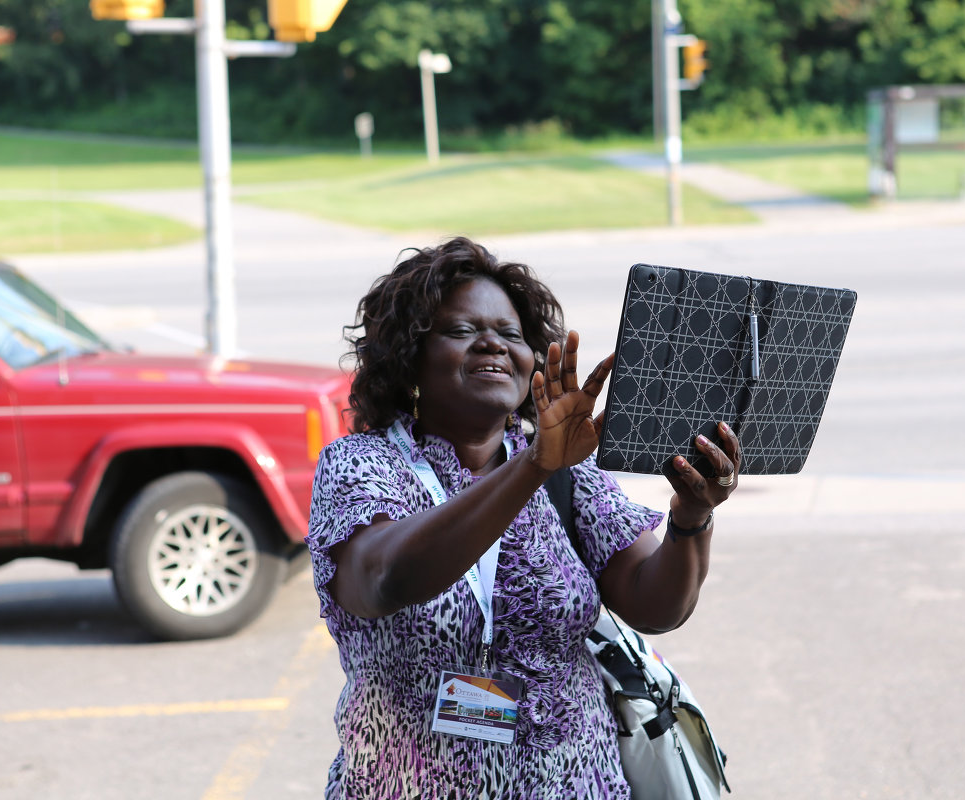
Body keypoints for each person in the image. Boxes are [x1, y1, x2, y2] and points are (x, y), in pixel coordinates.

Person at [306, 236, 741, 799]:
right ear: (410, 355)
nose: (492, 343)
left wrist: (692, 514)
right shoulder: (361, 465)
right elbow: (384, 578)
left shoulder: (565, 469)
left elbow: (655, 606)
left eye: (510, 334)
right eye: (462, 331)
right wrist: (533, 467)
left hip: (577, 783)